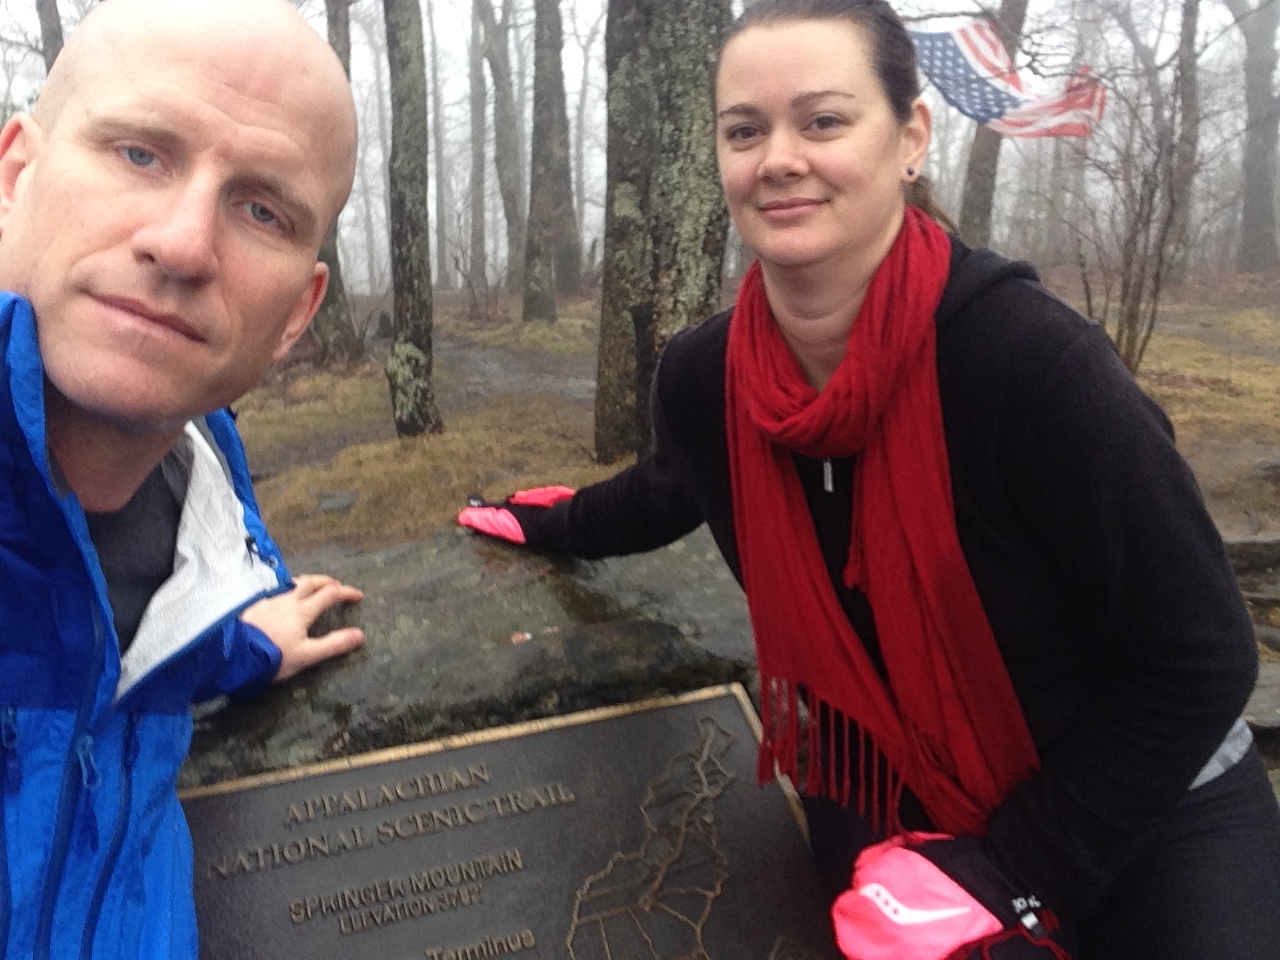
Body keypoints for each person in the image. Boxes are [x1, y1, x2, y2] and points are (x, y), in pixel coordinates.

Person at [458, 0, 1280, 956]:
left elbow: (1202, 655)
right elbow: (667, 490)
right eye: (744, 131)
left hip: (1149, 803)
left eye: (823, 121)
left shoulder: (1031, 366)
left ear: (911, 138)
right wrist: (548, 524)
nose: (778, 159)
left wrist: (1009, 870)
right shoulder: (705, 378)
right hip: (890, 790)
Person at [0, 0, 366, 955]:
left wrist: (228, 644)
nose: (184, 244)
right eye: (139, 154)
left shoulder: (210, 538)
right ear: (15, 175)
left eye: (261, 210)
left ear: (296, 316)